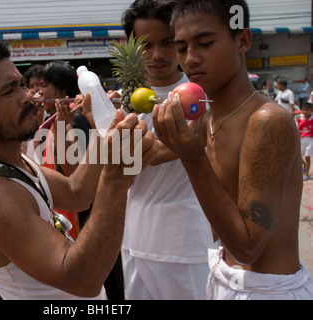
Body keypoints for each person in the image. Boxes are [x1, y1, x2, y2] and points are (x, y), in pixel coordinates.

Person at [0, 37, 156, 300]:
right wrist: (116, 179)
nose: (28, 96)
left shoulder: (17, 163)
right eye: (9, 91)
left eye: (21, 85)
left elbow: (76, 193)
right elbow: (82, 280)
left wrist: (105, 134)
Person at [152, 0, 313, 299]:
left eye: (205, 43)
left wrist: (192, 157)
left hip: (268, 291)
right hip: (223, 276)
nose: (191, 59)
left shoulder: (267, 121)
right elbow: (147, 156)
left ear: (243, 40)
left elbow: (248, 247)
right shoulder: (208, 117)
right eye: (183, 48)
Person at [119, 0, 214, 300]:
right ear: (132, 47)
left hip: (185, 244)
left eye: (167, 43)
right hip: (133, 240)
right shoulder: (123, 101)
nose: (157, 55)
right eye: (146, 45)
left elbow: (137, 157)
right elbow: (120, 169)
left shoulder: (203, 96)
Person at [297, 102, 313, 180]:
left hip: (310, 139)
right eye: (303, 110)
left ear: (311, 111)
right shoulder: (299, 119)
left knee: (307, 157)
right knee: (299, 156)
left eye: (307, 110)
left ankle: (306, 173)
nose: (305, 112)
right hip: (301, 139)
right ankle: (304, 166)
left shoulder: (312, 119)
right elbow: (297, 129)